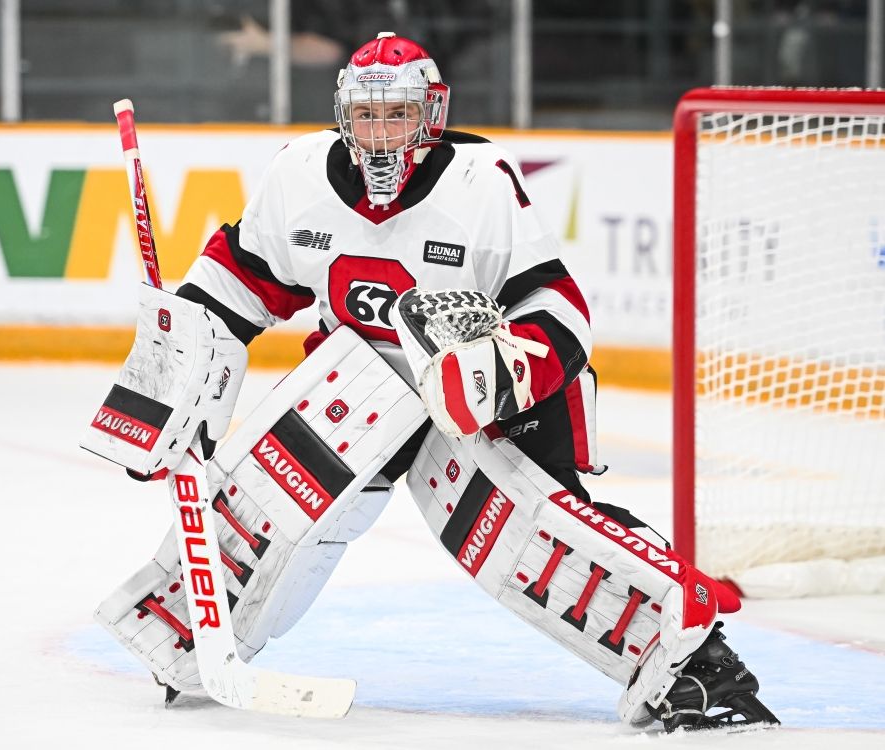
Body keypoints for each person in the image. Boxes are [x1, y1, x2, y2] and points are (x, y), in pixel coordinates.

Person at [91, 32, 778, 731]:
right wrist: (178, 368)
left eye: (397, 115)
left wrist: (495, 378)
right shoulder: (298, 174)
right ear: (341, 115)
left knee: (534, 543)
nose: (380, 135)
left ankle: (696, 664)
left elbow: (557, 312)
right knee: (269, 493)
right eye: (365, 116)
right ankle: (192, 632)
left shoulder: (480, 184)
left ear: (433, 114)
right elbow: (238, 282)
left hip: (481, 399)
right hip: (359, 389)